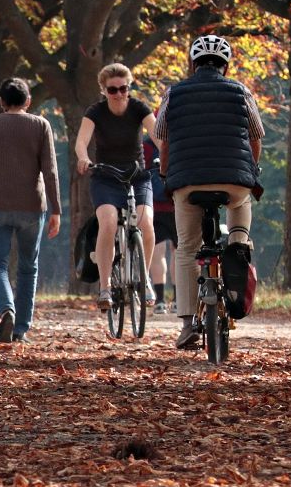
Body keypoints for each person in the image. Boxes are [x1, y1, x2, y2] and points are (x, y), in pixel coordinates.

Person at [155, 35, 264, 349]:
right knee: (240, 214)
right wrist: (250, 169)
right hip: (234, 181)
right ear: (226, 66)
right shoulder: (241, 91)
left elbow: (163, 139)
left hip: (188, 180)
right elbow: (256, 137)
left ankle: (187, 324)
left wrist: (165, 173)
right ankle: (237, 248)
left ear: (192, 63)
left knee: (187, 248)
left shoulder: (173, 94)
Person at [0, 77, 62, 343]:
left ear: (1, 102)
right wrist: (56, 209)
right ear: (28, 101)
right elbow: (50, 171)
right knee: (28, 267)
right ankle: (21, 328)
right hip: (31, 206)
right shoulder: (41, 125)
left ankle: (6, 308)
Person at [75, 63, 157, 312]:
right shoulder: (96, 112)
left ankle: (145, 280)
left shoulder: (139, 108)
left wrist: (166, 156)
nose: (119, 94)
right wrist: (83, 158)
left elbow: (158, 135)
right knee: (108, 222)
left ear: (129, 87)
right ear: (104, 90)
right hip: (106, 176)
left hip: (137, 175)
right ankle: (106, 286)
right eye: (113, 90)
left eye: (124, 88)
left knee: (146, 223)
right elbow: (82, 140)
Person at [142, 135, 176, 314]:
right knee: (180, 252)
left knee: (158, 252)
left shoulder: (148, 142)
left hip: (154, 204)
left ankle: (160, 300)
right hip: (177, 201)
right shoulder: (178, 131)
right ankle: (179, 299)